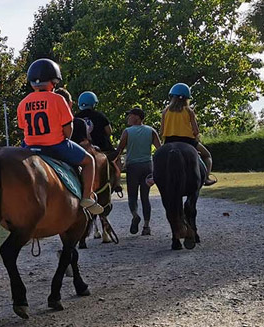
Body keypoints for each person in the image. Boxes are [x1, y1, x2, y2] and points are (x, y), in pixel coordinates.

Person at [17, 59, 103, 214]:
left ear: (32, 83)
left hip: (29, 147)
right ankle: (87, 197)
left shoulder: (23, 103)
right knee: (89, 161)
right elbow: (68, 128)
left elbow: (23, 127)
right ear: (54, 82)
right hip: (55, 145)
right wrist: (65, 139)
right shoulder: (58, 99)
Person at [160, 83, 217, 186]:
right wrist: (196, 136)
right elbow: (196, 131)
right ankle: (206, 178)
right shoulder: (189, 111)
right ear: (186, 98)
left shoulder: (165, 111)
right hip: (187, 141)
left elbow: (161, 131)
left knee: (158, 159)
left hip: (169, 141)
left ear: (171, 96)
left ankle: (154, 176)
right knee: (207, 155)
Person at [116, 107, 161, 235]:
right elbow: (160, 149)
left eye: (130, 115)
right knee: (145, 197)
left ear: (137, 117)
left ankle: (135, 215)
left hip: (133, 167)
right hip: (147, 166)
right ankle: (146, 226)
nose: (128, 118)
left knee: (132, 196)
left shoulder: (127, 132)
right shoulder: (151, 131)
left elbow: (119, 150)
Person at [75, 90, 121, 192]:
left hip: (84, 149)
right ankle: (117, 183)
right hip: (103, 148)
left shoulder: (76, 117)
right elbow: (109, 131)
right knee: (117, 159)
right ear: (94, 103)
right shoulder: (100, 116)